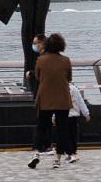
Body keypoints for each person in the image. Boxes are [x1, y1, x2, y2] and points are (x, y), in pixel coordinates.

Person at [28, 33, 73, 170]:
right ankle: (57, 159)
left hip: (45, 98)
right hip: (62, 99)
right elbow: (69, 78)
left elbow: (38, 76)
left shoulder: (41, 60)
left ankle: (36, 153)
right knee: (62, 130)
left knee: (41, 127)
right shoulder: (66, 60)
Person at [65, 81, 89, 164]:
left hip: (64, 116)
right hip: (74, 116)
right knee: (73, 135)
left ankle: (70, 153)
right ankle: (73, 152)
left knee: (66, 135)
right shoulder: (75, 89)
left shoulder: (60, 89)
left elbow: (56, 103)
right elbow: (80, 102)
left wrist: (53, 116)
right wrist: (86, 113)